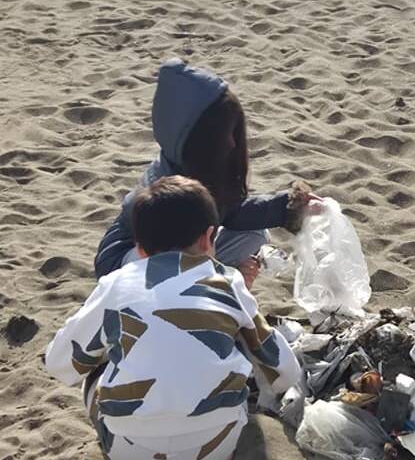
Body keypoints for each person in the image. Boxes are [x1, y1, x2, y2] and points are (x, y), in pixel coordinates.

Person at [46, 176, 303, 460]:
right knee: (234, 352)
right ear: (209, 238)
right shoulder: (229, 282)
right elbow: (284, 373)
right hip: (213, 447)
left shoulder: (116, 284)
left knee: (97, 366)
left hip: (132, 454)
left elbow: (60, 364)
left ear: (139, 247)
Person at [94, 58, 317, 288]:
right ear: (202, 139)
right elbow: (169, 248)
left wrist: (289, 208)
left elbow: (230, 212)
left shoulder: (200, 167)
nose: (233, 143)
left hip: (172, 248)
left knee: (254, 234)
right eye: (226, 133)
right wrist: (227, 281)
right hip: (125, 263)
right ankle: (200, 289)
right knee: (183, 260)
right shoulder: (170, 188)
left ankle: (205, 282)